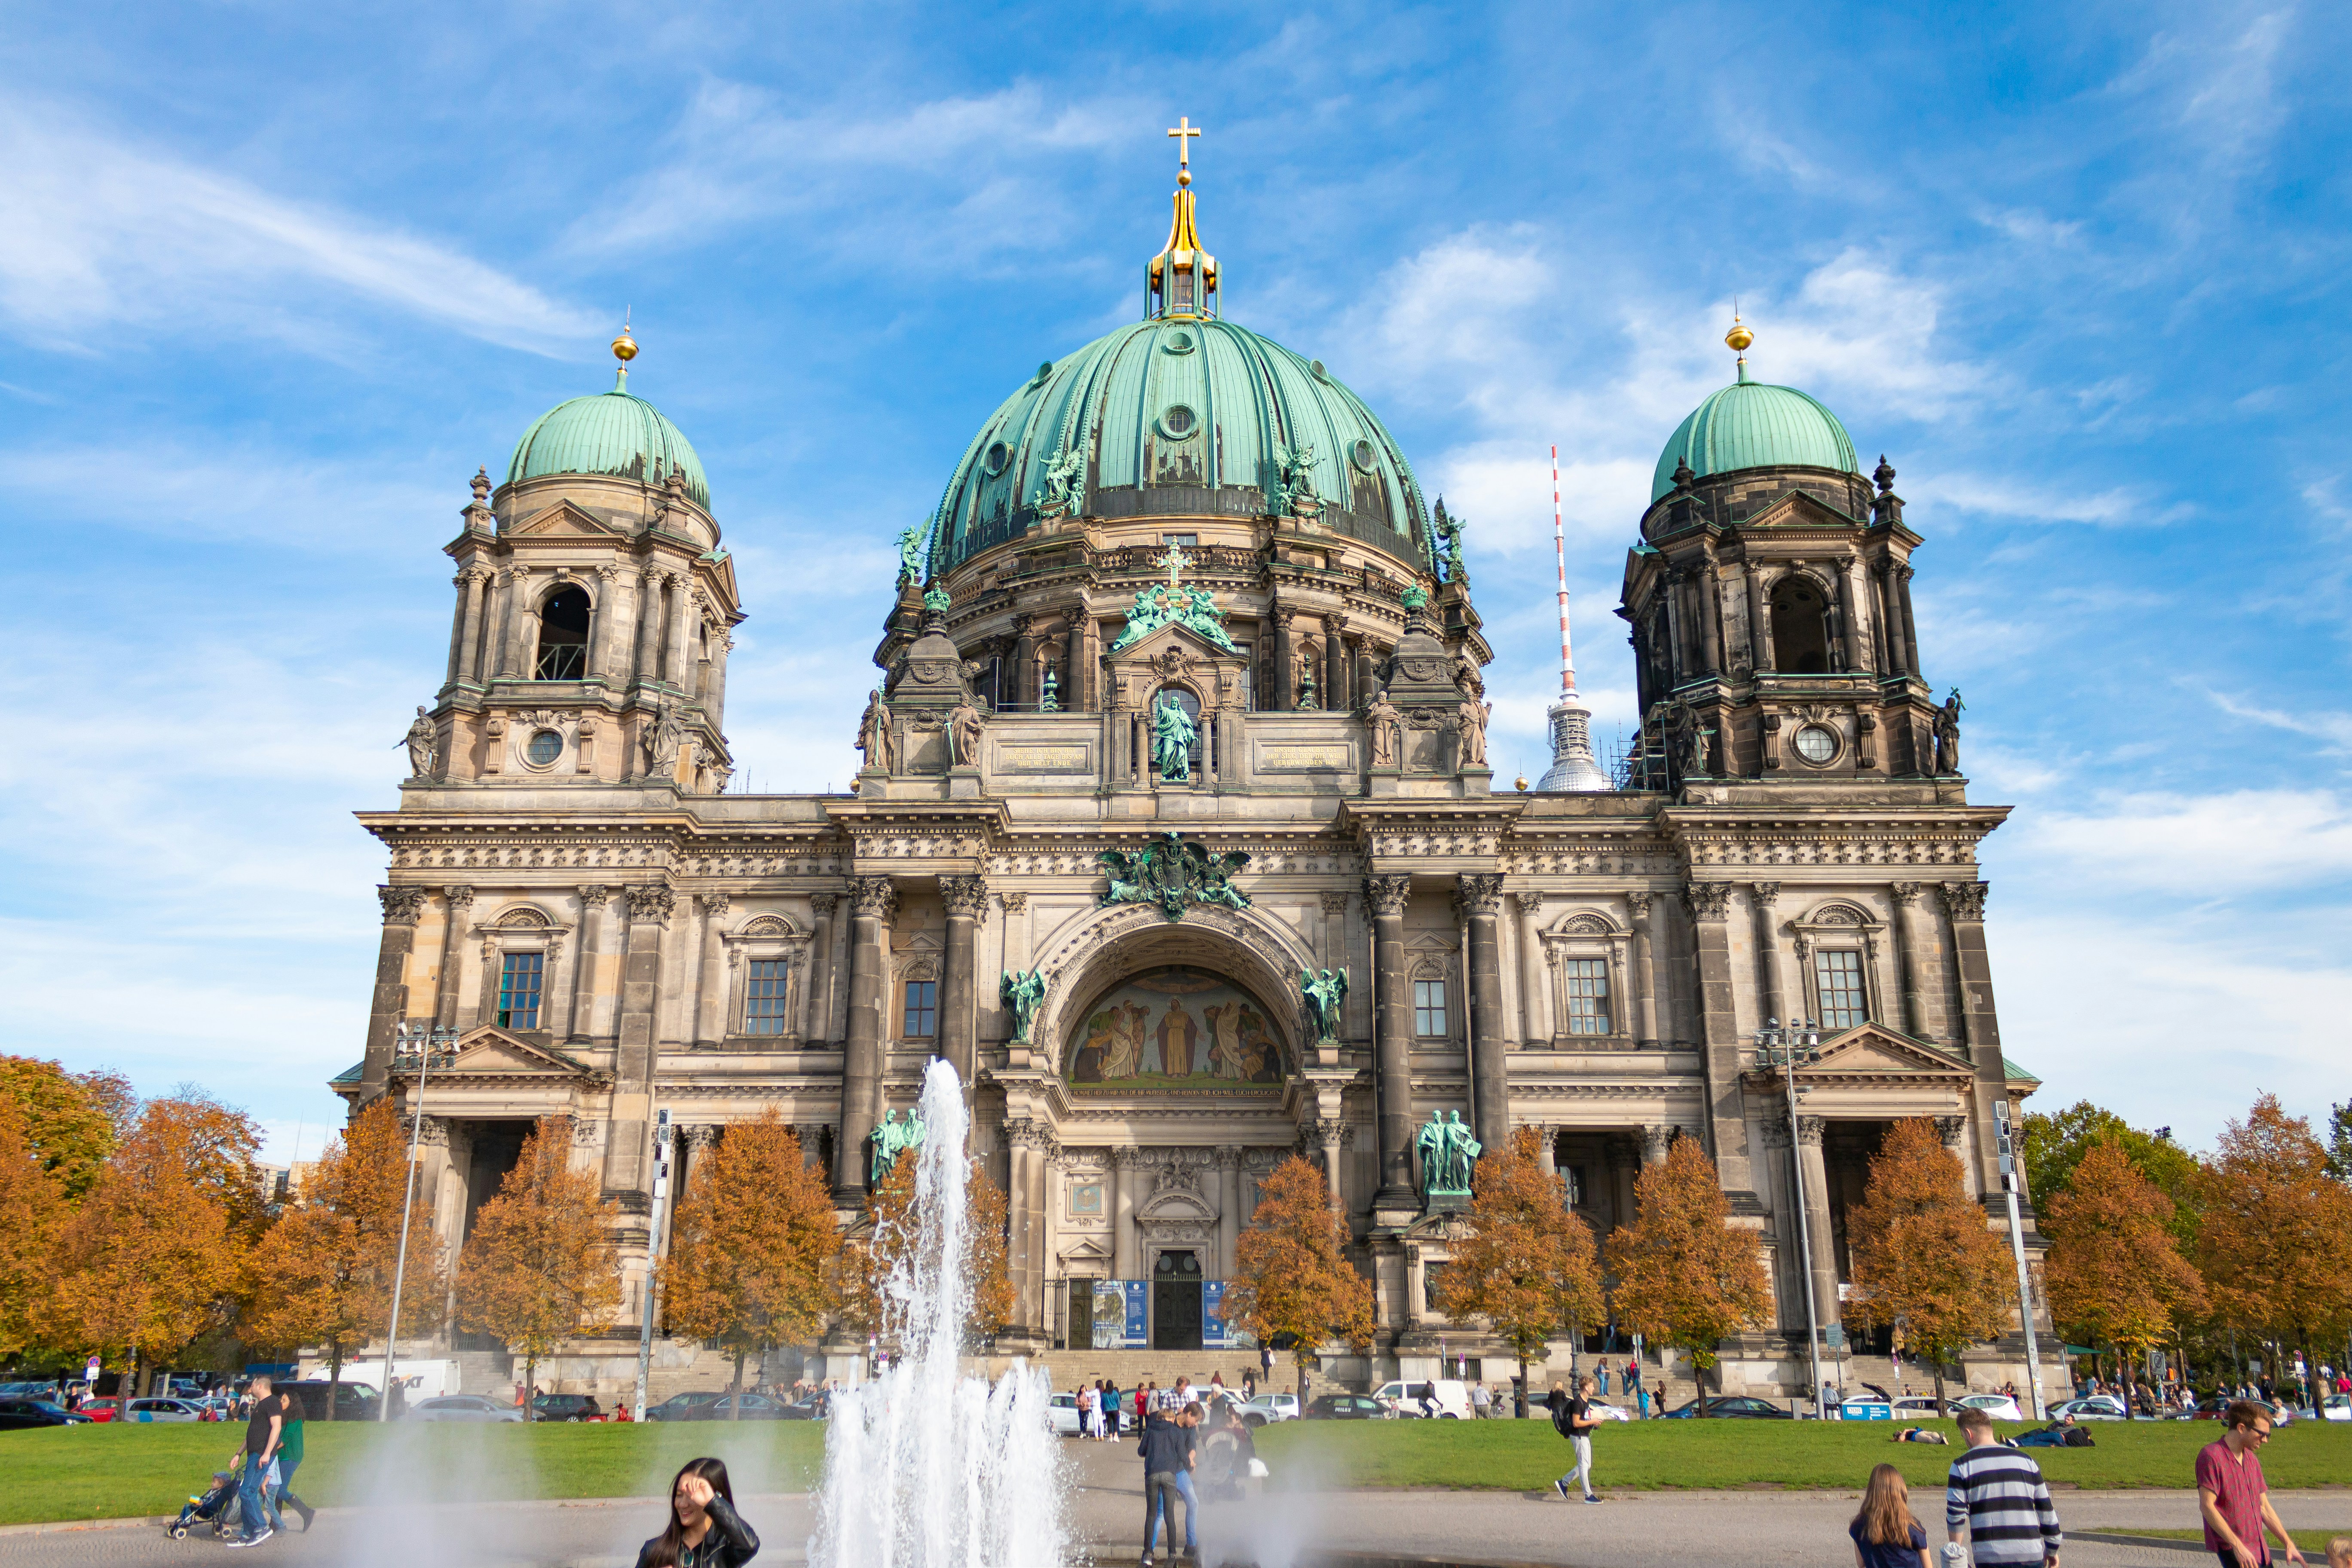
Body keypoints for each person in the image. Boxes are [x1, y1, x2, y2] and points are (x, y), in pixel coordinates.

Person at [1945, 1406, 2062, 1568]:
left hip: (1991, 1558)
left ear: (1968, 1434)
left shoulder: (1962, 1466)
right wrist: (2052, 1550)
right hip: (2030, 1555)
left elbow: (1956, 1516)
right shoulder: (2027, 1462)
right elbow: (2046, 1511)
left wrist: (1956, 1555)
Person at [2198, 1401, 2306, 1568]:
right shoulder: (2212, 1456)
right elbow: (2207, 1506)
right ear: (2242, 1428)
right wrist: (2237, 1546)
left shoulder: (2251, 1459)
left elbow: (2263, 1507)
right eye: (2262, 1434)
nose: (2265, 1441)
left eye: (2268, 1435)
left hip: (2259, 1548)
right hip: (2235, 1550)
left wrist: (2288, 1542)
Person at [636, 1456, 759, 1568]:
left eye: (691, 1496)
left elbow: (750, 1546)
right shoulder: (653, 1551)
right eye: (679, 1495)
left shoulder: (725, 1548)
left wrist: (713, 1502)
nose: (683, 1504)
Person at [227, 1375, 285, 1547]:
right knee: (246, 1493)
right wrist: (238, 1454)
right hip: (253, 1454)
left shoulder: (273, 1402)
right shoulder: (261, 1406)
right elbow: (251, 1433)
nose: (250, 1388)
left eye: (252, 1385)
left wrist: (267, 1453)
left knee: (247, 1492)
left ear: (260, 1386)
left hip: (261, 1454)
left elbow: (277, 1427)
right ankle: (247, 1533)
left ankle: (261, 1528)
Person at [1138, 1401, 1195, 1566]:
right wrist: (1189, 1465)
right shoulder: (1175, 1431)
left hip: (1152, 1475)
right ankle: (1172, 1556)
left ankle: (1148, 1555)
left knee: (1152, 1515)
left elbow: (1141, 1451)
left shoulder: (1151, 1430)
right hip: (1170, 1475)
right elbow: (1183, 1455)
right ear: (1170, 1419)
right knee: (1170, 1516)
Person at [1853, 1462, 1932, 1568]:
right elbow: (1928, 1566)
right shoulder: (1911, 1526)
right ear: (1901, 1492)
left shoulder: (1859, 1526)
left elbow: (1861, 1563)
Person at [269, 1389, 316, 1533]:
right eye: (280, 1399)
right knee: (276, 1488)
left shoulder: (295, 1419)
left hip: (291, 1457)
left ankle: (307, 1512)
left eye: (284, 1400)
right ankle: (275, 1523)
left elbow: (286, 1439)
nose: (280, 1402)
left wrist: (269, 1450)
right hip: (280, 1456)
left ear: (292, 1403)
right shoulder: (281, 1417)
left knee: (280, 1490)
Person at [1552, 1374, 1601, 1504]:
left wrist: (1593, 1423)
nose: (1594, 1389)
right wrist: (1592, 1421)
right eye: (1592, 1386)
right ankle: (1588, 1495)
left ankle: (1564, 1483)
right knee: (1584, 1466)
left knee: (1586, 1465)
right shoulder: (1578, 1402)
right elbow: (1576, 1423)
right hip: (1579, 1437)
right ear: (1585, 1387)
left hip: (1584, 1435)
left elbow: (1584, 1420)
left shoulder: (1585, 1401)